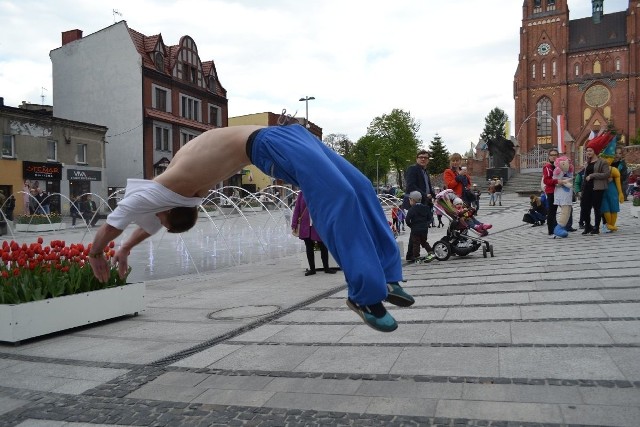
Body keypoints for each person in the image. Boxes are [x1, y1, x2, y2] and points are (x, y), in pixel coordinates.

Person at [88, 123, 414, 333]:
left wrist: (99, 251)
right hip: (272, 142)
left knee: (360, 187)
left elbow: (116, 223)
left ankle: (386, 277)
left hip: (283, 138)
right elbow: (151, 226)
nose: (154, 217)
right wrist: (129, 246)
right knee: (339, 195)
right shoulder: (179, 194)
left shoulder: (161, 190)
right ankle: (365, 294)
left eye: (158, 216)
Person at [291, 192, 336, 276]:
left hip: (318, 224)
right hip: (305, 225)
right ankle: (312, 269)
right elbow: (297, 209)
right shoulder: (302, 194)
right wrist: (294, 223)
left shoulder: (318, 192)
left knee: (323, 245)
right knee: (309, 246)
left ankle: (326, 268)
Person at [403, 150, 436, 260]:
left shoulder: (425, 171)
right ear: (416, 158)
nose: (423, 159)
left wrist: (433, 194)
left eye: (425, 158)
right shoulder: (413, 169)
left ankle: (411, 254)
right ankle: (411, 254)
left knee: (417, 230)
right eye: (421, 157)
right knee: (416, 230)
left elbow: (427, 187)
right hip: (414, 202)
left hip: (423, 203)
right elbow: (411, 186)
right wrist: (425, 195)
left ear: (428, 160)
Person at [579, 133, 611, 235]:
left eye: (590, 151)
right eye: (587, 150)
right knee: (584, 207)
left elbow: (606, 174)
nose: (588, 152)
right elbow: (585, 176)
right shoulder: (587, 162)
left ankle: (596, 227)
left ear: (595, 151)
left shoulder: (602, 162)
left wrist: (593, 175)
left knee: (596, 208)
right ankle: (588, 226)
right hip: (587, 188)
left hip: (597, 188)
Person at [404, 191, 434, 262]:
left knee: (416, 243)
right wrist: (426, 224)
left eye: (410, 200)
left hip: (415, 230)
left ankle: (417, 257)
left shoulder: (411, 210)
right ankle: (431, 253)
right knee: (424, 242)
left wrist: (411, 226)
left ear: (413, 200)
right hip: (424, 229)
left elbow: (407, 220)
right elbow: (430, 218)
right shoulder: (426, 208)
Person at [542, 148, 560, 237]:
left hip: (559, 191)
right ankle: (551, 230)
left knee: (562, 209)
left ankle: (561, 227)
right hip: (551, 191)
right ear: (549, 157)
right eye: (552, 155)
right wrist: (557, 181)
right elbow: (546, 181)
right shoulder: (547, 167)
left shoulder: (558, 166)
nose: (553, 157)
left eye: (555, 155)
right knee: (552, 211)